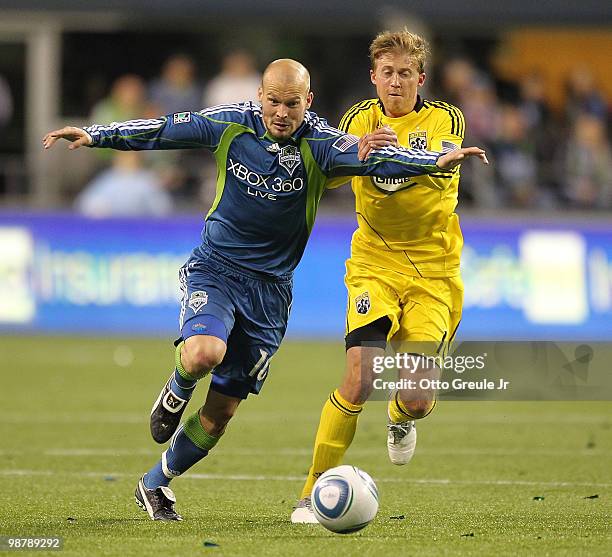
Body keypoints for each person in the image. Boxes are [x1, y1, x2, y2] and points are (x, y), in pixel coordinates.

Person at [43, 58, 487, 521]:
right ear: (260, 96)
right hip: (217, 268)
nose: (280, 112)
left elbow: (378, 157)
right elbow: (165, 129)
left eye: (291, 103)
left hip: (270, 294)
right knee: (203, 354)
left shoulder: (322, 143)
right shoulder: (231, 124)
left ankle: (155, 484)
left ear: (307, 102)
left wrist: (433, 159)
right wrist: (97, 135)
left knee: (221, 412)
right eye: (273, 100)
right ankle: (176, 388)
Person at [292, 30, 487, 522]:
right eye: (387, 73)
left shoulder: (445, 118)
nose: (395, 82)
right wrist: (356, 153)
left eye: (405, 74)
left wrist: (388, 153)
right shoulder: (359, 119)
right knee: (359, 376)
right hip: (374, 264)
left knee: (418, 398)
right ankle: (310, 493)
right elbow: (328, 173)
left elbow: (438, 165)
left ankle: (400, 419)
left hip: (433, 272)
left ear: (420, 78)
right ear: (373, 76)